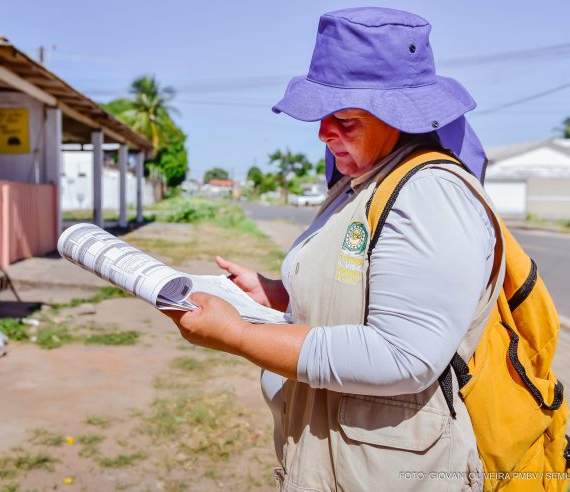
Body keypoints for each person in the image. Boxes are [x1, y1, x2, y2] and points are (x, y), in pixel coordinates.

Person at [165, 7, 504, 491]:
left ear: (398, 116)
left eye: (343, 118)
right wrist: (278, 295)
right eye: (322, 116)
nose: (323, 133)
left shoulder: (431, 193)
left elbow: (404, 355)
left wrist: (239, 335)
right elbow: (368, 289)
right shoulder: (363, 182)